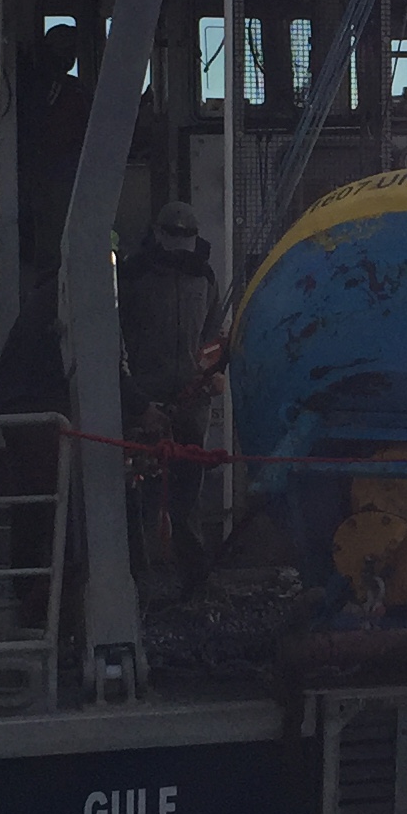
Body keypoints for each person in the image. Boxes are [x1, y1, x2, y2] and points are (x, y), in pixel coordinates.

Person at [117, 200, 222, 588]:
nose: (180, 241)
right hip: (144, 401)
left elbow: (211, 336)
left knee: (188, 494)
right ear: (157, 234)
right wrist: (137, 401)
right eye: (173, 234)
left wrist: (209, 375)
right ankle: (136, 579)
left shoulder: (205, 279)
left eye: (186, 235)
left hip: (190, 401)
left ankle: (195, 579)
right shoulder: (133, 277)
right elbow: (117, 339)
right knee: (138, 492)